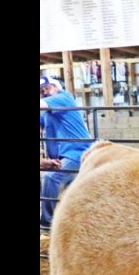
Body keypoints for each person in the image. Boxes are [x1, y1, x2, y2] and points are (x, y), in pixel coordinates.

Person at [39, 76, 92, 230]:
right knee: (69, 189)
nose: (45, 92)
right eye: (42, 91)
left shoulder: (63, 98)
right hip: (61, 157)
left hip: (78, 152)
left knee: (51, 178)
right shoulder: (47, 113)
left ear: (56, 87)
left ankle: (46, 223)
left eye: (47, 88)